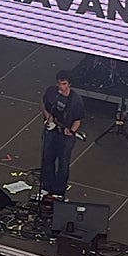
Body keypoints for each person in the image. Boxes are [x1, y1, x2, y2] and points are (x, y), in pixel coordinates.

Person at [40, 70, 85, 199]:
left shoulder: (76, 100)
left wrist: (71, 131)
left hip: (66, 136)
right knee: (47, 159)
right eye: (59, 83)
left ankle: (58, 191)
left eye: (64, 84)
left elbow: (78, 120)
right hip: (51, 131)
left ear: (69, 84)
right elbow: (43, 105)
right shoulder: (51, 92)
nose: (61, 87)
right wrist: (48, 118)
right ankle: (46, 186)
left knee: (63, 164)